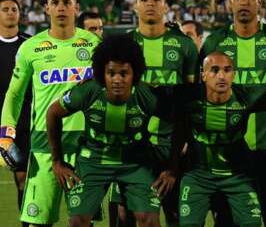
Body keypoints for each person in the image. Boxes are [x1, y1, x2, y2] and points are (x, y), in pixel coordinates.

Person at [46, 34, 180, 227]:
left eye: (124, 73)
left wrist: (171, 168)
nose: (117, 79)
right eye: (111, 73)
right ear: (102, 73)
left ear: (134, 74)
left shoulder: (147, 96)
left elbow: (179, 122)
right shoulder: (88, 91)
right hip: (93, 161)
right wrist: (57, 161)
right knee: (77, 222)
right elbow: (53, 113)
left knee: (149, 220)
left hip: (135, 163)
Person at [0, 0, 100, 226]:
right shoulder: (30, 48)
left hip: (84, 144)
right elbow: (14, 94)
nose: (61, 8)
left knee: (81, 221)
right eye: (55, 2)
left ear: (76, 8)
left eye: (67, 2)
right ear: (47, 8)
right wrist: (5, 134)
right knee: (36, 222)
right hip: (44, 143)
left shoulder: (94, 44)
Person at [200, 0, 266, 227]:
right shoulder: (214, 43)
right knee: (226, 219)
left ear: (259, 2)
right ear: (230, 2)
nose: (244, 1)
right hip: (226, 150)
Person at [178, 51, 266, 227]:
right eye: (214, 70)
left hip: (237, 177)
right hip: (198, 176)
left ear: (233, 74)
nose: (221, 76)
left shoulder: (246, 97)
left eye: (227, 70)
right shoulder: (188, 97)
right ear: (203, 74)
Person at [110, 0, 198, 227]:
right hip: (131, 147)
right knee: (125, 215)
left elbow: (191, 100)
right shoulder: (122, 45)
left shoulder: (184, 45)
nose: (150, 3)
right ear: (135, 5)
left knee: (174, 214)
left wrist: (187, 142)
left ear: (165, 6)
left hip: (172, 146)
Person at [0, 0, 31, 227]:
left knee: (23, 179)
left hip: (25, 122)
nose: (10, 13)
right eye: (5, 9)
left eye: (14, 9)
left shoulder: (30, 45)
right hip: (1, 123)